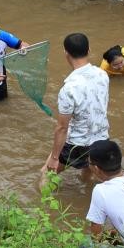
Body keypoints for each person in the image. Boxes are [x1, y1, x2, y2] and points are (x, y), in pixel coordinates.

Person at [44, 33, 110, 182]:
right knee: (89, 169)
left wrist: (54, 158)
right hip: (101, 138)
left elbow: (62, 128)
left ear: (66, 53)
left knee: (47, 174)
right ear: (89, 50)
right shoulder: (103, 74)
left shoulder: (69, 88)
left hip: (77, 145)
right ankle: (85, 189)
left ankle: (42, 196)